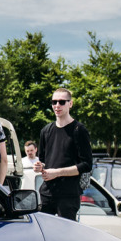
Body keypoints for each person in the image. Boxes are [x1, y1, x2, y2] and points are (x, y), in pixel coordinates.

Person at [34, 87, 92, 220]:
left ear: (70, 104)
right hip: (47, 194)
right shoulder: (46, 131)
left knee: (65, 238)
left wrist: (56, 172)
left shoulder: (79, 130)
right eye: (54, 102)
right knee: (43, 236)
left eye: (61, 102)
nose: (57, 106)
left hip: (68, 196)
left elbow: (86, 165)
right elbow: (43, 160)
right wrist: (39, 166)